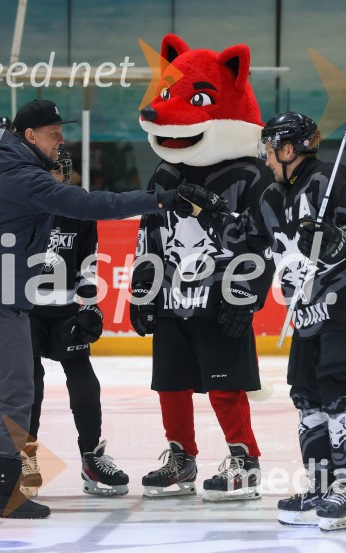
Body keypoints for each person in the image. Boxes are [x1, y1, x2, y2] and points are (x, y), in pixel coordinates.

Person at [0, 99, 187, 519]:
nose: (61, 139)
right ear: (29, 135)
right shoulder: (23, 175)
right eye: (54, 132)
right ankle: (6, 495)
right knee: (17, 391)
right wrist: (159, 200)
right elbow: (88, 205)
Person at [187, 112, 346, 531]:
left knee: (339, 399)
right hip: (307, 314)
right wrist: (210, 212)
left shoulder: (335, 180)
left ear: (288, 149)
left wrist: (339, 238)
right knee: (307, 400)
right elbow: (243, 238)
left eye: (268, 151)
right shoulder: (271, 197)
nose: (264, 160)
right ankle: (321, 486)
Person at [132, 34, 275, 502]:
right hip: (174, 299)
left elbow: (264, 240)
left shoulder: (251, 176)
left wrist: (248, 295)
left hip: (221, 299)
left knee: (225, 386)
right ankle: (181, 457)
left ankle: (244, 459)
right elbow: (149, 234)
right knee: (170, 384)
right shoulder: (165, 172)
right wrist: (143, 290)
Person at [20, 145, 129, 499]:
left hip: (65, 308)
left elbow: (88, 262)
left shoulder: (79, 209)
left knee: (84, 381)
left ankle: (91, 457)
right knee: (27, 385)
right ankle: (24, 459)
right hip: (26, 311)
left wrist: (90, 304)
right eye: (48, 170)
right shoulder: (20, 207)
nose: (54, 177)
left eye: (59, 170)